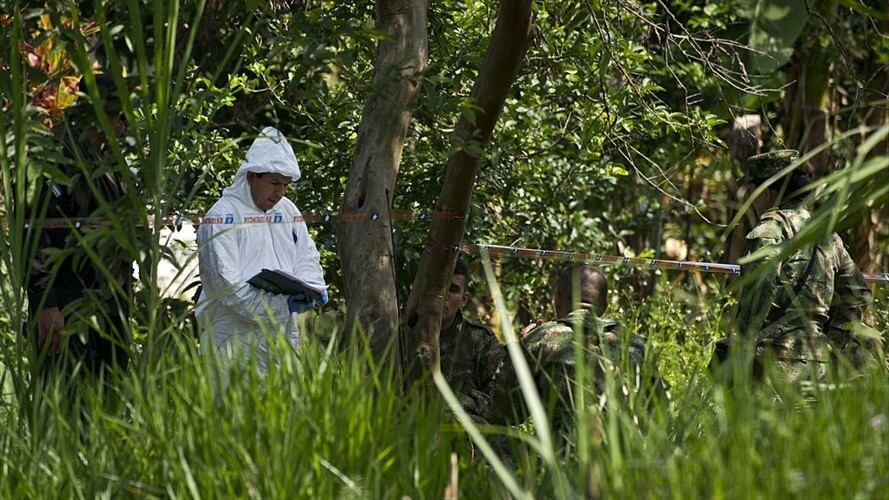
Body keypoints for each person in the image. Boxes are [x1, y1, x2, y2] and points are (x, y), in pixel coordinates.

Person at [720, 149, 875, 382]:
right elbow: (858, 293)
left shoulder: (769, 230)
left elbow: (762, 284)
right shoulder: (829, 236)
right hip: (818, 362)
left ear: (768, 193)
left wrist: (744, 340)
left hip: (771, 363)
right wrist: (834, 341)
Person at [196, 127, 327, 385]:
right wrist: (282, 305)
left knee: (282, 418)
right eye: (274, 183)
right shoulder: (222, 217)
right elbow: (229, 288)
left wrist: (312, 288)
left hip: (281, 338)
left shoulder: (287, 211)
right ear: (252, 176)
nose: (280, 192)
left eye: (286, 185)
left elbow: (307, 258)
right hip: (234, 340)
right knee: (232, 418)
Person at [26, 76, 132, 378]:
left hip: (111, 303)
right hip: (68, 301)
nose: (122, 127)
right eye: (116, 116)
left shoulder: (107, 161)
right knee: (67, 402)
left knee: (108, 401)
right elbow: (35, 230)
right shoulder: (55, 156)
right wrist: (45, 302)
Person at [491, 264, 654, 431]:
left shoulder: (542, 337)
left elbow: (501, 411)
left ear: (557, 300)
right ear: (604, 307)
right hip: (626, 454)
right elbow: (655, 412)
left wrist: (526, 345)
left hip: (560, 453)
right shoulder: (636, 343)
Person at [438, 259, 506, 422]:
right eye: (440, 286)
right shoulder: (402, 333)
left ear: (464, 299)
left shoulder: (480, 340)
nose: (445, 295)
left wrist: (460, 402)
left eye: (453, 290)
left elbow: (500, 399)